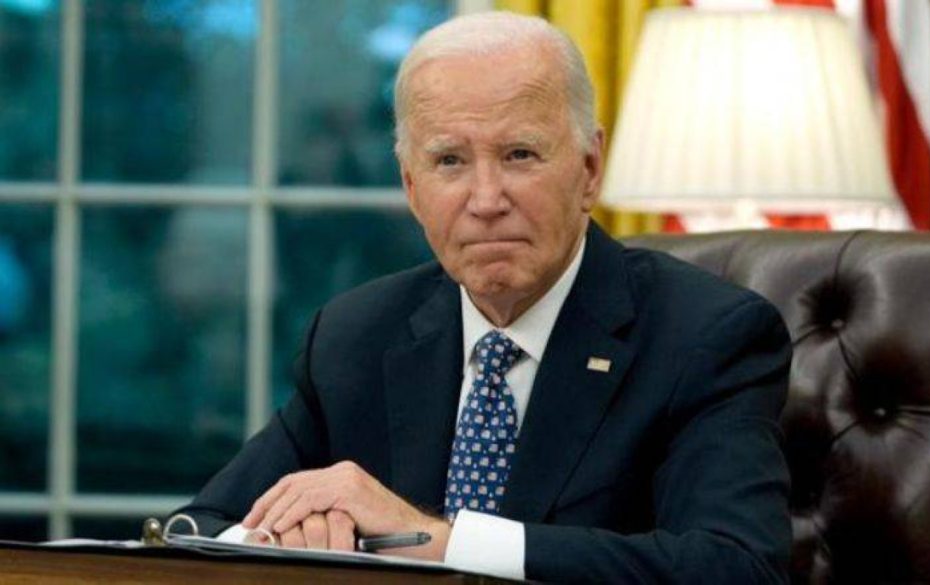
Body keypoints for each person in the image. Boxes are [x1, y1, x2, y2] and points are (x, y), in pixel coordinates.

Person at [177, 11, 792, 583]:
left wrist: (440, 543)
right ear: (412, 188)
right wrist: (279, 535)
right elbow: (195, 534)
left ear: (589, 168)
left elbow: (736, 567)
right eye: (450, 161)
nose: (487, 199)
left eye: (519, 155)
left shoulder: (705, 337)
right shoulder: (355, 336)